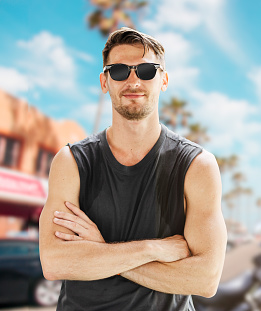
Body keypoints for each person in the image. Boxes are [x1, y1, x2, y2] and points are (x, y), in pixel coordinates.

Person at [38, 27, 227, 311]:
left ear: (163, 79)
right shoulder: (72, 162)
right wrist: (151, 249)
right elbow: (54, 262)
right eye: (119, 71)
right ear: (105, 82)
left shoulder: (196, 166)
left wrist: (100, 250)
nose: (133, 80)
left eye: (147, 70)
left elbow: (205, 279)